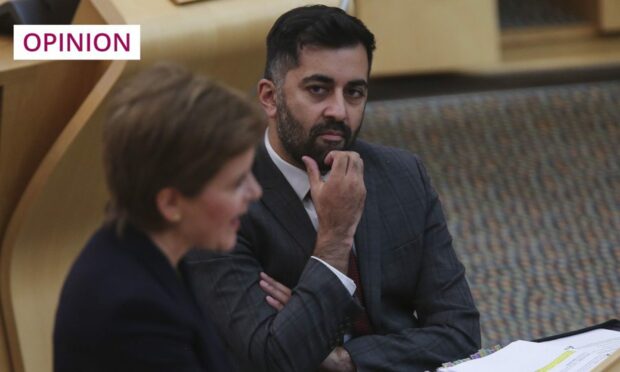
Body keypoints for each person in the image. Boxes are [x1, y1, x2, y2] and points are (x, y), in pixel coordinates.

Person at [186, 5, 481, 372]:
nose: (339, 111)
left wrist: (342, 359)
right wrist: (335, 239)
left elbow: (460, 331)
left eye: (354, 92)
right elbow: (271, 359)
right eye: (318, 89)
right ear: (269, 97)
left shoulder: (403, 175)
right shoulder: (216, 202)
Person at [53, 63, 265, 371]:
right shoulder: (132, 310)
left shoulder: (144, 251)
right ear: (170, 203)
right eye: (236, 183)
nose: (255, 191)